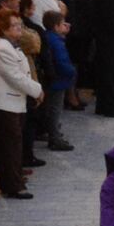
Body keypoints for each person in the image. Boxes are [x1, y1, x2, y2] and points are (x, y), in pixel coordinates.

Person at [0, 9, 43, 200]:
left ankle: (14, 180)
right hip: (5, 102)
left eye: (20, 24)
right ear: (3, 28)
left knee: (14, 143)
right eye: (15, 26)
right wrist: (37, 90)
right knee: (10, 145)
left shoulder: (11, 45)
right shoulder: (1, 48)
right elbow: (15, 76)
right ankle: (12, 185)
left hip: (14, 101)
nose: (20, 29)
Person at [41, 11, 75, 151]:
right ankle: (54, 138)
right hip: (58, 80)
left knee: (51, 108)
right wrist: (72, 71)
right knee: (55, 109)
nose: (65, 26)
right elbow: (61, 61)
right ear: (56, 27)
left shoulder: (50, 38)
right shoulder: (56, 42)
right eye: (62, 24)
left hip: (53, 80)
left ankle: (52, 133)